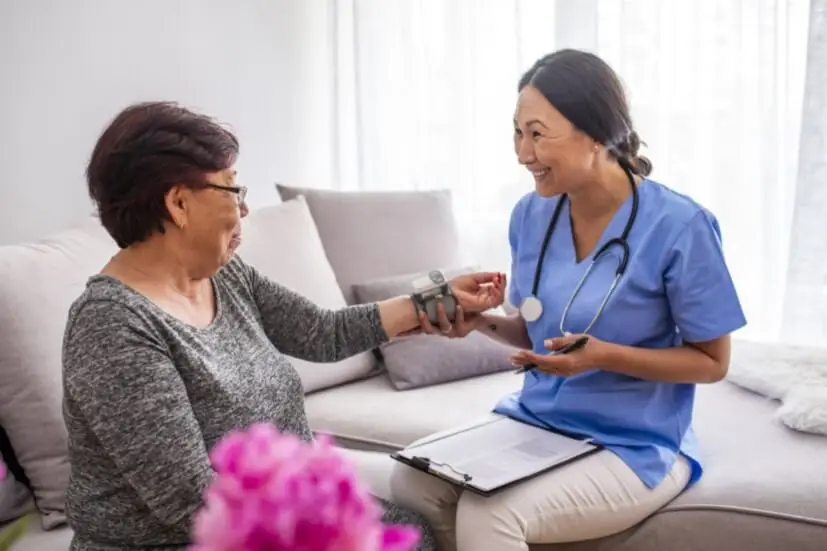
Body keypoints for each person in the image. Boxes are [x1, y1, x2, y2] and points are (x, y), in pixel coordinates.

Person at [61, 101, 506, 551]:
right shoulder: (112, 327)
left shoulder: (225, 276)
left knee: (410, 535)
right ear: (178, 203)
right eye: (232, 189)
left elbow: (322, 333)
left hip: (279, 515)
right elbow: (190, 504)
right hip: (184, 541)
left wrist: (439, 298)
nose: (245, 209)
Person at [389, 49, 747, 551]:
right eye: (517, 133)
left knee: (490, 514)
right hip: (539, 421)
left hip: (635, 442)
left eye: (538, 134)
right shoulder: (531, 215)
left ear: (598, 133)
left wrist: (602, 357)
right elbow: (537, 331)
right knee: (411, 482)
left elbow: (712, 363)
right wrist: (480, 321)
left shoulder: (682, 226)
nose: (523, 153)